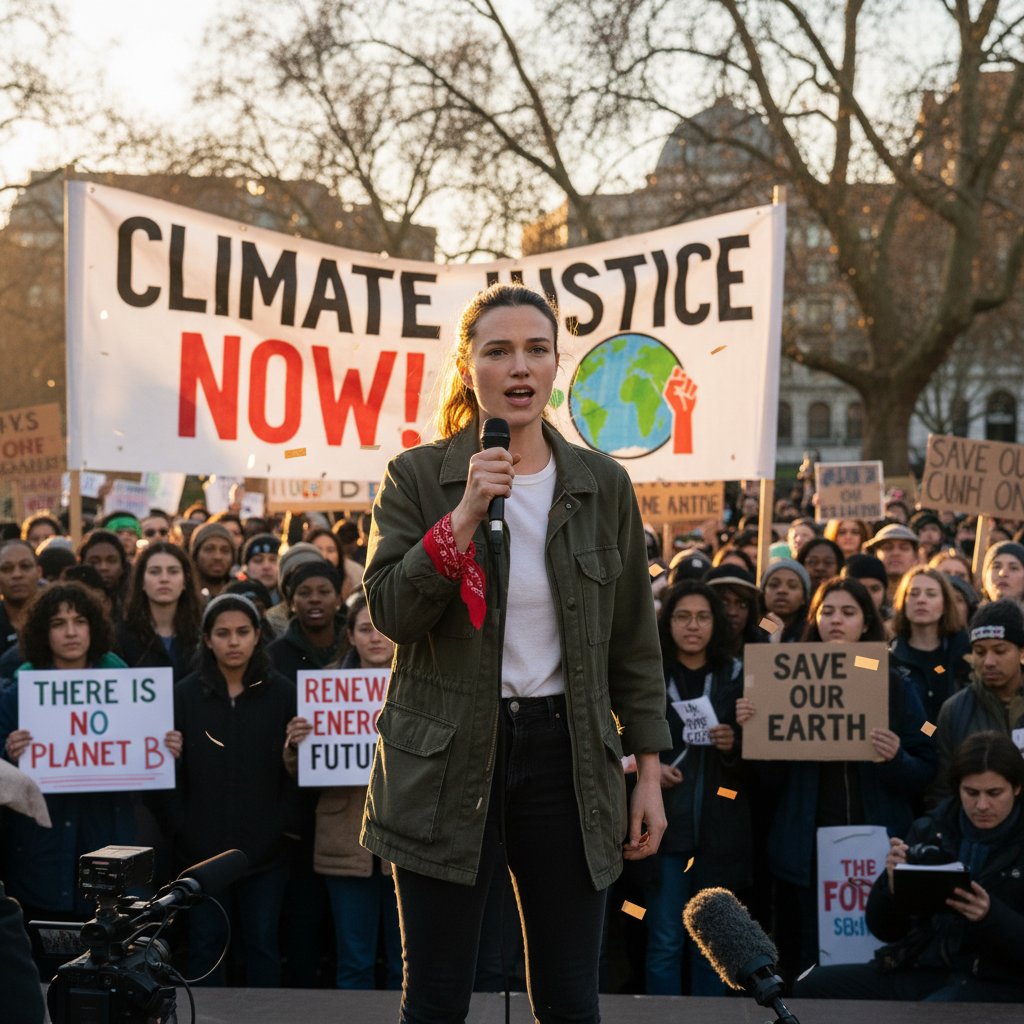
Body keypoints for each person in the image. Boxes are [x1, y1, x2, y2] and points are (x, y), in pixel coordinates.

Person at [360, 283, 670, 1024]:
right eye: (499, 351)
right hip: (444, 761)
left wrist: (649, 773)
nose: (520, 366)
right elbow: (394, 614)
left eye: (537, 349)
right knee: (435, 1003)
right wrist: (464, 515)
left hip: (569, 760)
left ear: (557, 365)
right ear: (468, 368)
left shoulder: (604, 485)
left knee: (569, 1002)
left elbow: (634, 644)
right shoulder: (415, 477)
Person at [737, 577, 936, 975]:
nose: (836, 620)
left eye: (848, 612)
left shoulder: (896, 683)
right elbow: (768, 784)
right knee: (810, 960)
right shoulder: (780, 682)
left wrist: (895, 758)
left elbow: (927, 766)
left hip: (877, 849)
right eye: (827, 612)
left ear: (866, 623)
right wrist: (753, 731)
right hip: (806, 852)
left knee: (875, 957)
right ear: (815, 620)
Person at [795, 731, 1024, 1002]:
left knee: (933, 1009)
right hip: (921, 966)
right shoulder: (931, 830)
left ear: (1017, 788)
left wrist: (990, 916)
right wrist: (892, 887)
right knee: (809, 986)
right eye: (971, 793)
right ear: (957, 789)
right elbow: (885, 929)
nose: (982, 805)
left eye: (994, 793)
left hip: (995, 979)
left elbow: (926, 728)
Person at [0, 584, 180, 921]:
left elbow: (149, 774)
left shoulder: (130, 691)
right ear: (43, 632)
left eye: (79, 621)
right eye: (58, 623)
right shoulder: (18, 695)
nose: (71, 632)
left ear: (93, 627)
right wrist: (9, 754)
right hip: (41, 856)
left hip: (110, 846)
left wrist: (166, 750)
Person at [153, 593, 297, 986]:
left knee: (263, 944)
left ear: (257, 636)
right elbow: (166, 772)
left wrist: (282, 827)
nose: (233, 641)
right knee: (206, 944)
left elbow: (296, 775)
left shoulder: (283, 693)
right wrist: (182, 827)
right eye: (223, 633)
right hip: (200, 853)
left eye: (242, 632)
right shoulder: (183, 694)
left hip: (266, 852)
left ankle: (266, 1014)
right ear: (207, 639)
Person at [286, 591, 402, 990]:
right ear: (350, 635)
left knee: (407, 964)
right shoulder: (325, 687)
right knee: (354, 961)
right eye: (365, 629)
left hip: (406, 839)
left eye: (383, 628)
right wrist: (297, 743)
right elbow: (300, 771)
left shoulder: (422, 682)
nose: (376, 637)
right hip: (344, 841)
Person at [644, 581, 749, 995]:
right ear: (667, 622)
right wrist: (648, 770)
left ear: (716, 623)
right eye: (683, 616)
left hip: (719, 837)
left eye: (703, 617)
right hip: (665, 835)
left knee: (712, 952)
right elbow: (620, 740)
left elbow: (765, 766)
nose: (693, 626)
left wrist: (735, 745)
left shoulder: (738, 677)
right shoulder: (649, 674)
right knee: (664, 943)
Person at [929, 600, 1024, 806]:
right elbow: (944, 789)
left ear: (1021, 652)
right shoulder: (954, 711)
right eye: (980, 652)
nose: (988, 662)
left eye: (1000, 651)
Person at [890, 566, 970, 724]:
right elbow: (858, 662)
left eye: (931, 594)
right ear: (903, 603)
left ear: (945, 605)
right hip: (911, 738)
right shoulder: (891, 657)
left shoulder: (963, 654)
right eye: (913, 594)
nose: (921, 600)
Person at [118, 541, 203, 681]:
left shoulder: (202, 633)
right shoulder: (122, 636)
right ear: (142, 582)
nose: (164, 579)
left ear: (185, 581)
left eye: (173, 571)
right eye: (154, 572)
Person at [0, 540, 41, 660]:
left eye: (25, 566)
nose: (17, 575)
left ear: (39, 572)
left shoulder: (56, 617)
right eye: (6, 569)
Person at [77, 528, 131, 618]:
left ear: (123, 566)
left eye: (112, 561)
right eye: (94, 562)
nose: (103, 567)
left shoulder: (138, 606)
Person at [760, 559, 811, 642]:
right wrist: (774, 630)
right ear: (763, 593)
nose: (782, 590)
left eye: (792, 586)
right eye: (774, 585)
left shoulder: (811, 632)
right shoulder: (750, 628)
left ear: (804, 598)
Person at [864, 523, 920, 598]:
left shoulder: (924, 597)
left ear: (916, 556)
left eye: (904, 548)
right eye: (887, 548)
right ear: (875, 555)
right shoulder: (864, 595)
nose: (895, 553)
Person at [189, 521, 237, 601]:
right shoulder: (183, 595)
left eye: (225, 550)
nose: (218, 557)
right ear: (196, 555)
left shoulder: (240, 594)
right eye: (209, 549)